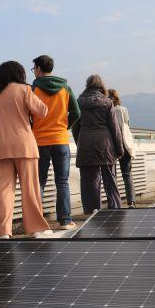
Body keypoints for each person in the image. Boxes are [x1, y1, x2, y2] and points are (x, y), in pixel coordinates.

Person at [0, 61, 53, 239]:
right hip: (24, 146)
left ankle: (2, 232)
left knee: (2, 193)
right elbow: (43, 111)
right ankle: (36, 229)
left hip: (0, 148)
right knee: (30, 190)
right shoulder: (24, 90)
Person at [31, 55, 80, 230]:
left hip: (40, 140)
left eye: (33, 69)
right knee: (62, 181)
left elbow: (27, 114)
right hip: (60, 139)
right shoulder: (65, 87)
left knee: (40, 182)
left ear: (38, 69)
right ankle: (65, 221)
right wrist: (64, 126)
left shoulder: (34, 89)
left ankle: (38, 223)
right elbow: (76, 112)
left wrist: (33, 126)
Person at [73, 75, 123, 214]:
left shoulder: (79, 102)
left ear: (87, 85)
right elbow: (115, 128)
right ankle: (115, 210)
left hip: (86, 144)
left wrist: (80, 143)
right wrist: (119, 149)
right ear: (102, 86)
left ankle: (92, 212)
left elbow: (75, 127)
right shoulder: (107, 102)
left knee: (90, 182)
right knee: (110, 180)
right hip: (105, 145)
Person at [108, 89, 137, 207]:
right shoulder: (123, 109)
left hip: (112, 145)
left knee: (112, 175)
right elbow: (127, 126)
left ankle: (115, 202)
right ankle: (131, 201)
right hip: (124, 145)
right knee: (127, 174)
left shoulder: (108, 110)